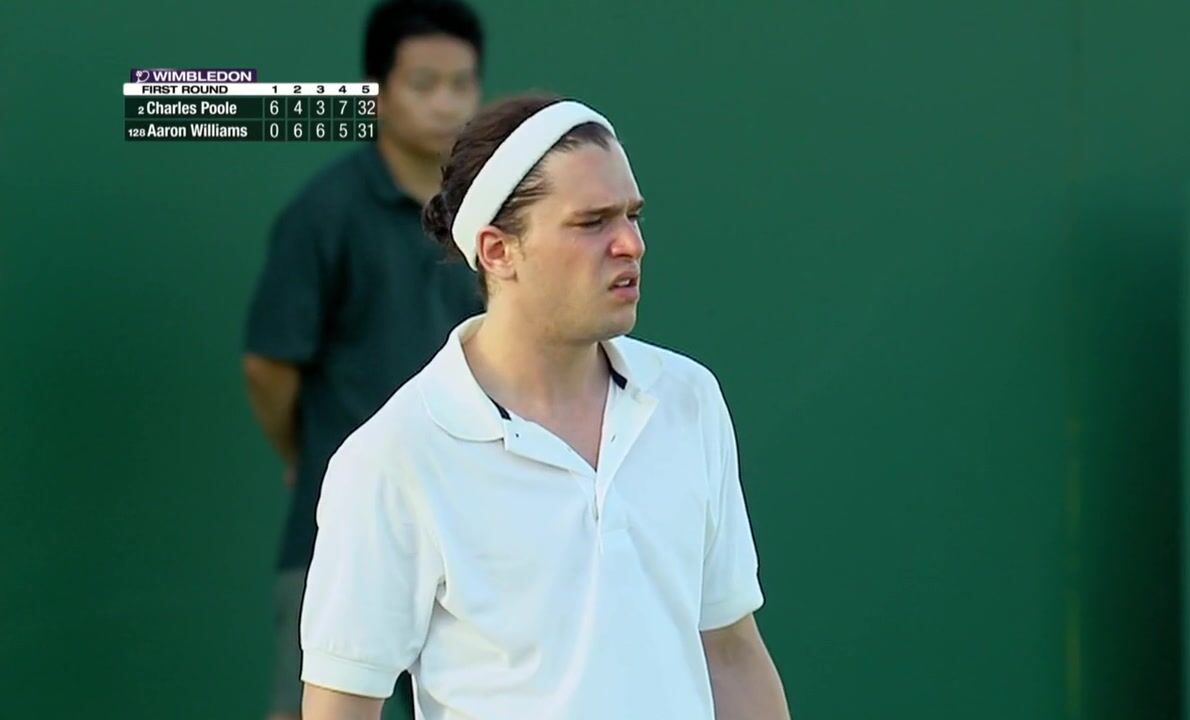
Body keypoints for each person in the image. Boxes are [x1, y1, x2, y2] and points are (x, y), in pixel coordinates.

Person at [297, 93, 791, 719]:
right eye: (592, 222)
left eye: (633, 216)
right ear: (497, 250)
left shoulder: (688, 399)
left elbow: (731, 652)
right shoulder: (392, 457)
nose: (631, 244)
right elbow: (341, 704)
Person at [241, 2, 484, 718]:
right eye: (423, 83)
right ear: (375, 90)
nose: (446, 103)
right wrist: (303, 452)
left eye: (462, 83)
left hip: (479, 532)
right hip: (337, 538)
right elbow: (268, 365)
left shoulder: (492, 214)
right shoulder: (324, 213)